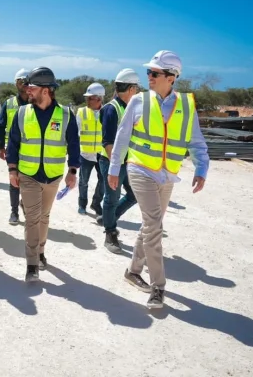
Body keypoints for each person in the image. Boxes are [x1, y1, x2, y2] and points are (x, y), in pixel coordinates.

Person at [109, 50, 209, 309]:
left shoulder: (186, 105)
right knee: (154, 226)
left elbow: (196, 140)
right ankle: (158, 287)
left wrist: (201, 168)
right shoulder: (138, 101)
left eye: (155, 73)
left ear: (172, 77)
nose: (149, 77)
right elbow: (122, 136)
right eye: (149, 72)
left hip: (167, 175)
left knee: (150, 225)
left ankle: (133, 271)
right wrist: (113, 168)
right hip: (140, 169)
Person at [7, 67, 80, 281]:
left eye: (32, 87)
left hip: (53, 175)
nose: (27, 90)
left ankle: (40, 251)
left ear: (46, 90)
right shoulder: (22, 113)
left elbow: (74, 145)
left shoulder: (65, 115)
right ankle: (32, 265)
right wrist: (12, 170)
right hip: (28, 174)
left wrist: (72, 171)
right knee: (32, 218)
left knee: (44, 217)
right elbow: (13, 143)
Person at [97, 68, 140, 253]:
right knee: (111, 198)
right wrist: (115, 166)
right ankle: (110, 233)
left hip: (127, 161)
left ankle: (109, 218)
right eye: (136, 88)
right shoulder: (111, 109)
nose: (137, 92)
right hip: (111, 161)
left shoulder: (130, 108)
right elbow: (107, 142)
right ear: (130, 89)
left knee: (134, 194)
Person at [0, 68, 30, 224]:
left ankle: (26, 204)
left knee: (30, 181)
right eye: (21, 81)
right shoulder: (9, 104)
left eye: (27, 82)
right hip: (13, 148)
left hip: (31, 148)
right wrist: (1, 146)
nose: (24, 84)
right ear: (16, 83)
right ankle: (14, 211)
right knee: (14, 179)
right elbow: (1, 125)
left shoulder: (36, 102)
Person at [76, 82, 105, 216]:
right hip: (85, 154)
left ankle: (96, 203)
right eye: (86, 98)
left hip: (102, 154)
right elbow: (76, 133)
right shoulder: (81, 112)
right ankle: (82, 205)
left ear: (99, 99)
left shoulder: (107, 112)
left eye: (90, 98)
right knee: (83, 182)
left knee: (103, 180)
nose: (87, 100)